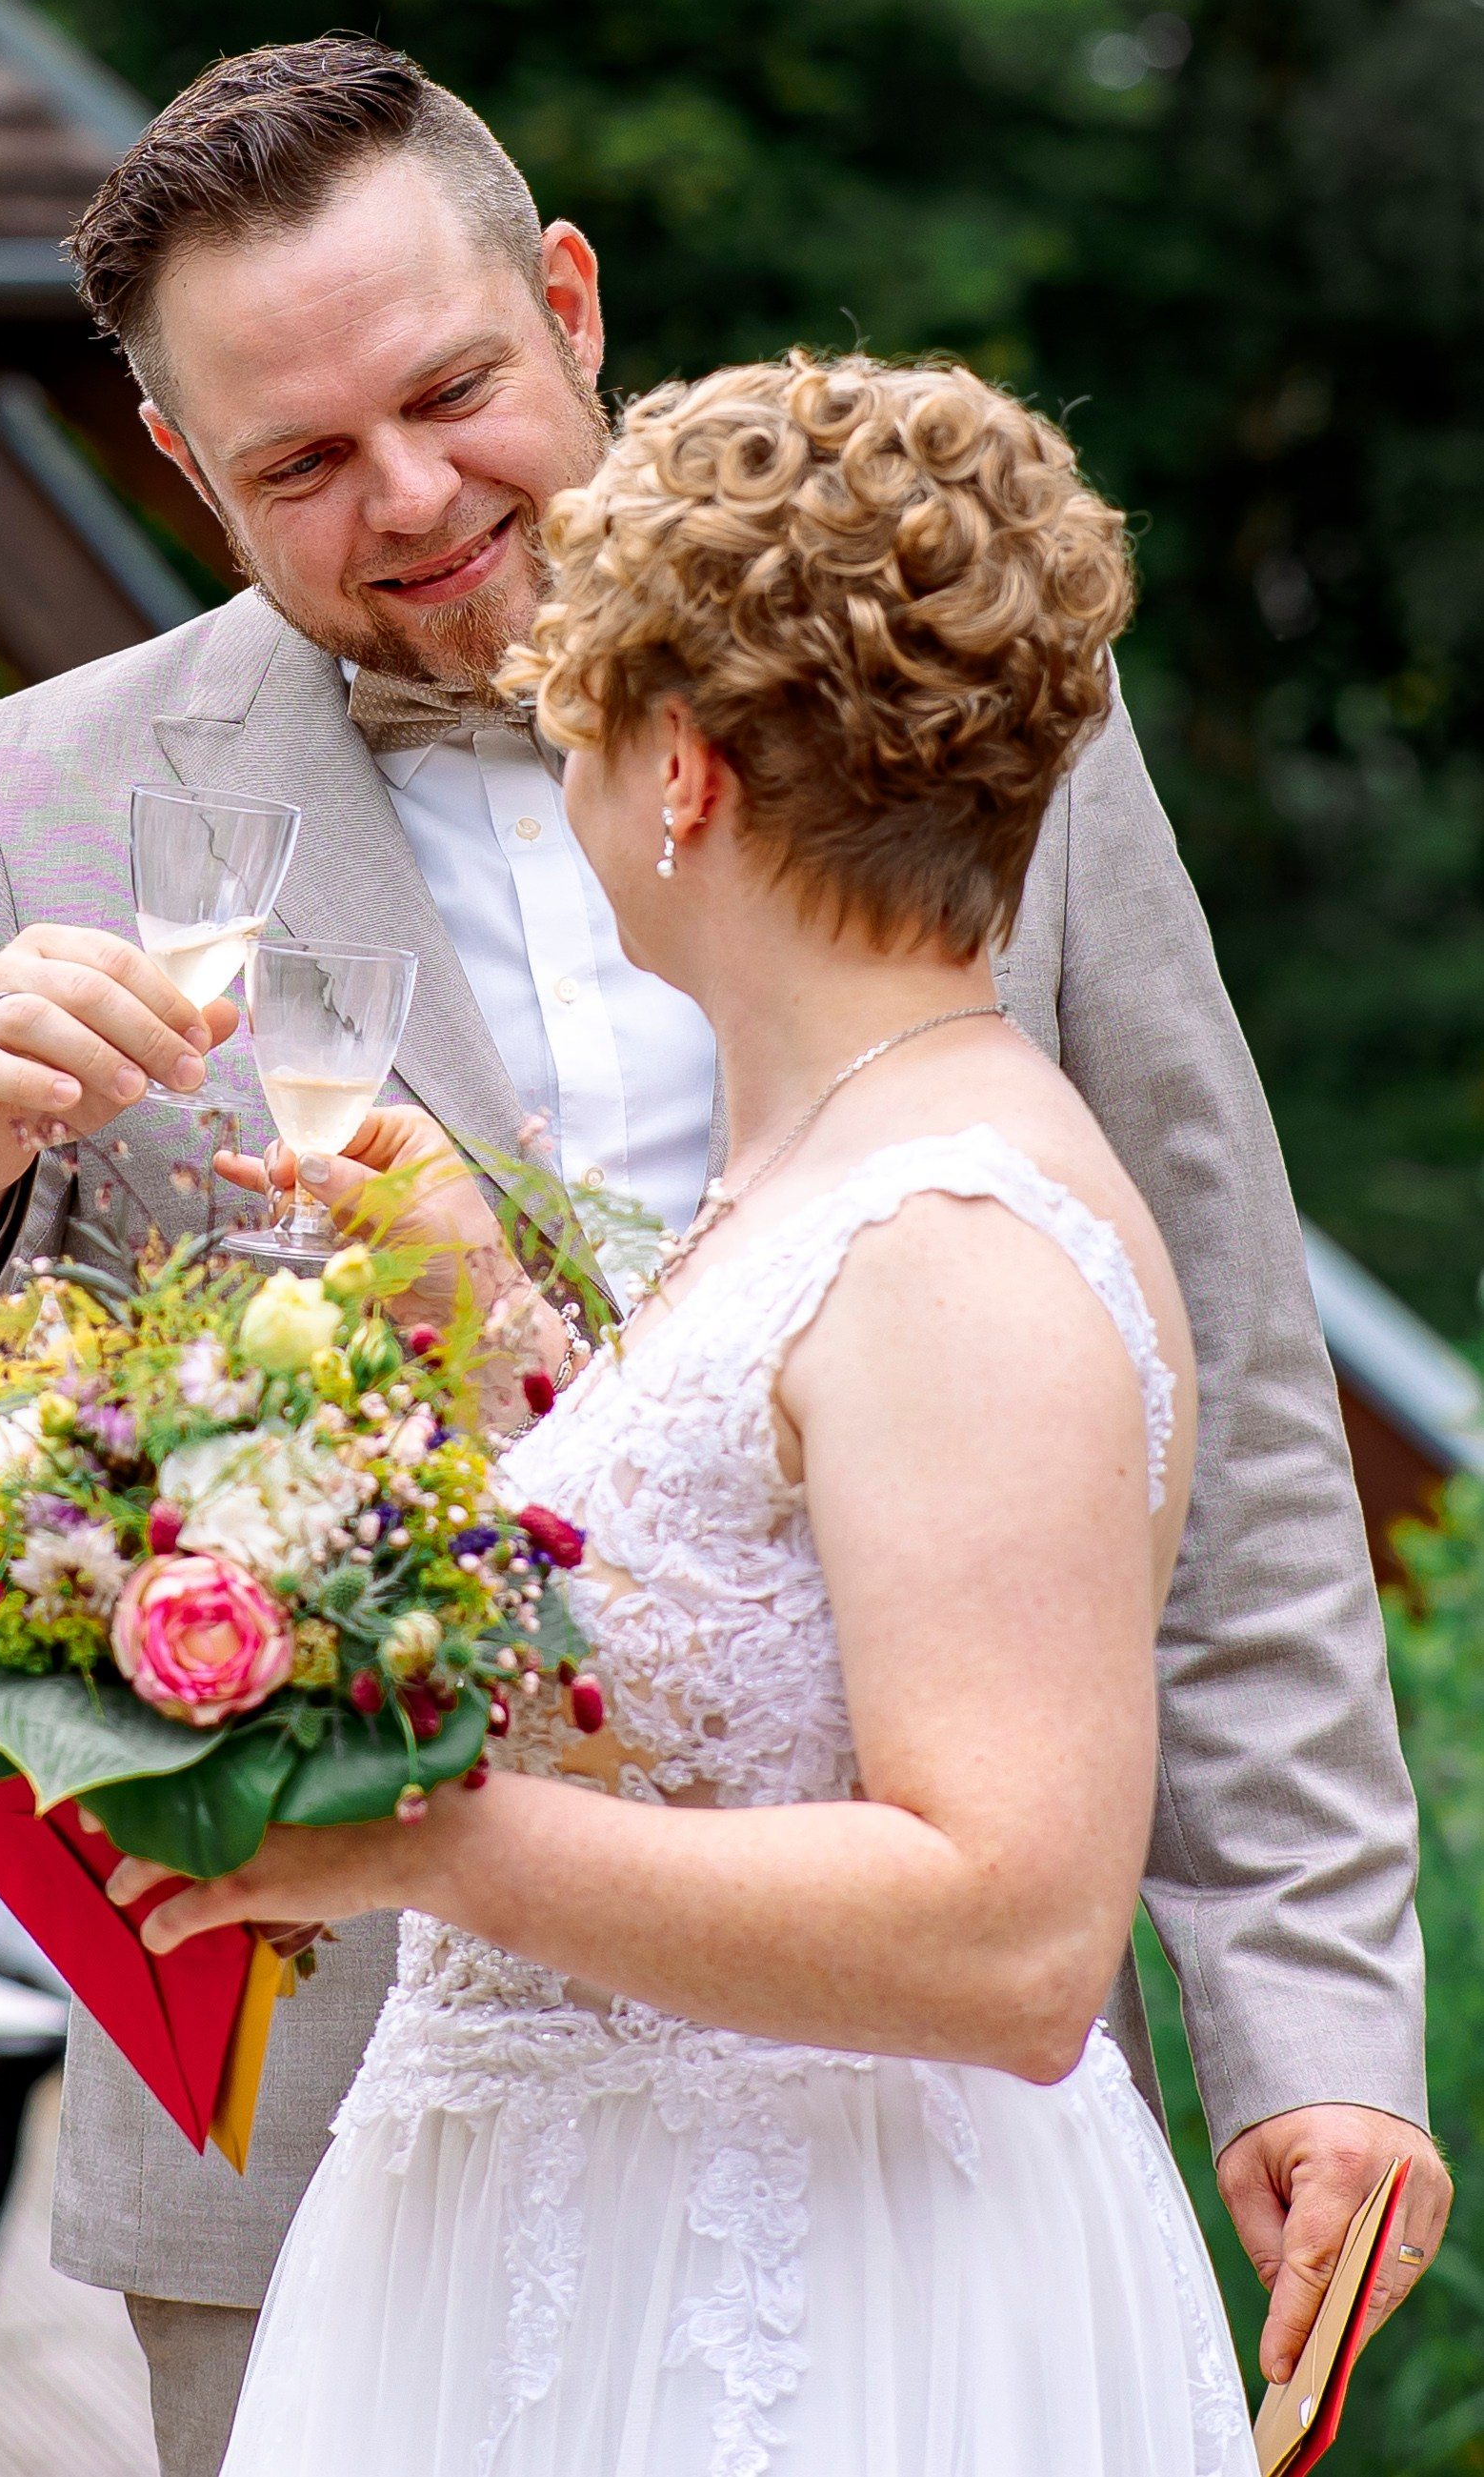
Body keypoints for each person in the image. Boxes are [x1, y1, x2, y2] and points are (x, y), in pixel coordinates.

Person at [0, 39, 1443, 2477]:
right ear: (178, 464)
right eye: (294, 459)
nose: (406, 500)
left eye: (451, 390)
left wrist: (1309, 2013)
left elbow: (1213, 1383)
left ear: (572, 301)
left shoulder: (963, 714)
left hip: (920, 2142)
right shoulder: (38, 797)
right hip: (326, 2168)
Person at [122, 354, 1252, 2468]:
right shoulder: (825, 1160)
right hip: (581, 2256)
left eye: (577, 715)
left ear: (682, 774)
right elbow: (753, 1614)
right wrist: (503, 1341)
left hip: (810, 2309)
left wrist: (414, 1839)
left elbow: (1012, 1925)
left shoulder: (953, 1225)